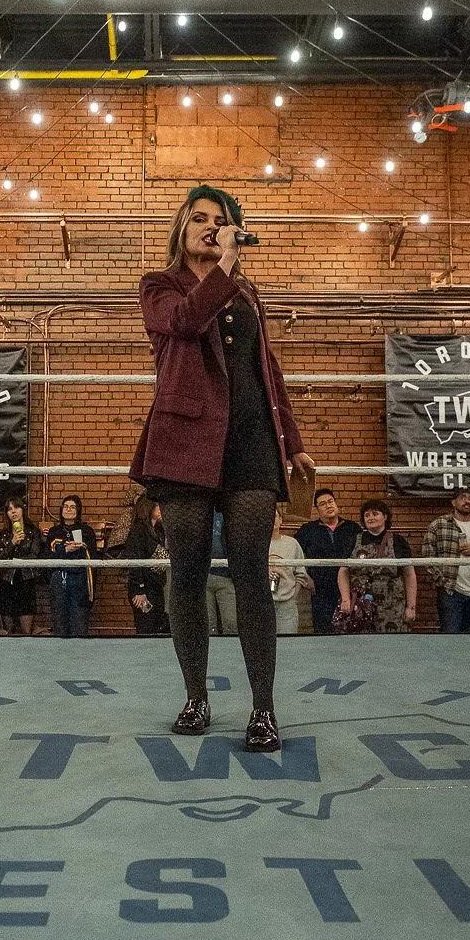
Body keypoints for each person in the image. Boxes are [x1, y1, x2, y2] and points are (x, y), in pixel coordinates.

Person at [129, 184, 313, 753]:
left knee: (252, 573)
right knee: (186, 572)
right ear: (182, 228)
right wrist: (226, 267)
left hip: (251, 440)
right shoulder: (159, 287)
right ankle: (195, 696)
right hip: (186, 440)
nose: (212, 227)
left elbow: (267, 369)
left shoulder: (247, 293)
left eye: (223, 220)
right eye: (202, 219)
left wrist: (293, 439)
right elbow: (186, 322)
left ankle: (264, 709)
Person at [421, 487, 470, 633]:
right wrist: (441, 580)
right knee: (451, 637)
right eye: (463, 497)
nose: (467, 501)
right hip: (450, 591)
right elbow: (427, 555)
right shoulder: (439, 524)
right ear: (453, 502)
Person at [339, 499, 416, 633]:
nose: (370, 518)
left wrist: (411, 606)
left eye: (375, 513)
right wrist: (345, 599)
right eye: (367, 515)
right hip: (360, 606)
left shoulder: (398, 541)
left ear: (385, 516)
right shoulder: (354, 540)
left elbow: (409, 574)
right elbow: (343, 572)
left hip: (393, 609)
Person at [296, 489, 361, 634]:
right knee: (323, 632)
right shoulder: (308, 530)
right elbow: (296, 555)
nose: (328, 506)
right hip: (321, 591)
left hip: (350, 590)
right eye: (323, 504)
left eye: (330, 501)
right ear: (317, 510)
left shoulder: (353, 528)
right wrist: (307, 578)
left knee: (352, 632)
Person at [44, 495, 100, 637]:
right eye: (66, 506)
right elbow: (46, 558)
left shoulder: (87, 531)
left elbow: (94, 558)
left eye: (72, 507)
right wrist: (64, 550)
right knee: (60, 624)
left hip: (80, 581)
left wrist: (82, 548)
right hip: (59, 580)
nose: (68, 509)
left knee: (79, 624)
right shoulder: (53, 532)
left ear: (78, 510)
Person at [0, 494, 47, 634]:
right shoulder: (3, 534)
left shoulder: (33, 532)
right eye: (9, 509)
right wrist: (12, 543)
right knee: (7, 630)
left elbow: (35, 555)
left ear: (23, 509)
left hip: (26, 582)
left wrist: (20, 546)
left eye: (16, 507)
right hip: (6, 582)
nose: (13, 511)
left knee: (26, 630)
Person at [124, 495, 170, 637]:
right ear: (149, 508)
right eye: (158, 506)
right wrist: (139, 590)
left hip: (157, 586)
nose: (162, 509)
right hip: (143, 588)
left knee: (158, 624)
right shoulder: (138, 531)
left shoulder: (159, 531)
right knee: (146, 626)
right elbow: (135, 561)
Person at [268, 504, 310, 636]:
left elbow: (301, 573)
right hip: (263, 604)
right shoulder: (256, 545)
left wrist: (293, 596)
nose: (272, 520)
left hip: (287, 605)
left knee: (288, 642)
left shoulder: (292, 544)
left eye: (275, 516)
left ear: (281, 520)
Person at [205, 510, 237, 635]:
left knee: (231, 623)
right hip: (203, 575)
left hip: (226, 575)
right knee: (208, 624)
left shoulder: (229, 512)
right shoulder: (199, 511)